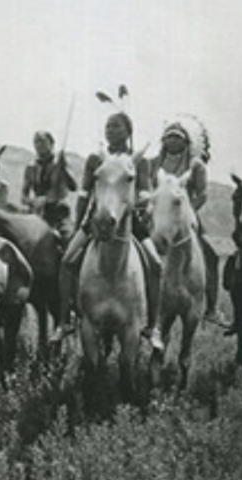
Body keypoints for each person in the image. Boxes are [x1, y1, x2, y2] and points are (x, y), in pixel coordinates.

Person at [50, 110, 162, 349]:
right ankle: (63, 321)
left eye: (116, 127)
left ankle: (152, 326)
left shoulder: (139, 161)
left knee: (156, 264)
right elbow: (84, 194)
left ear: (128, 131)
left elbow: (145, 191)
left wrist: (145, 202)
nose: (110, 131)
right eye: (108, 126)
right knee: (68, 261)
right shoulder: (95, 159)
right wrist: (78, 223)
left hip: (131, 223)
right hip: (96, 221)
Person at [149, 119, 226, 328]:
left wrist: (186, 211)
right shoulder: (154, 163)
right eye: (168, 137)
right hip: (155, 215)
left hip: (186, 215)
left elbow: (202, 194)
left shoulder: (195, 165)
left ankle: (211, 308)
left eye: (177, 137)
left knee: (210, 254)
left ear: (186, 141)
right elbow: (147, 187)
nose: (172, 141)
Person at [21, 131, 76, 243]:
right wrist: (33, 201)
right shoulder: (30, 167)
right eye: (36, 142)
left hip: (59, 213)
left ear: (51, 143)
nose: (38, 145)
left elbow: (74, 187)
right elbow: (23, 197)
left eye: (42, 141)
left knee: (68, 239)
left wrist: (64, 168)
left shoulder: (61, 163)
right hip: (37, 212)